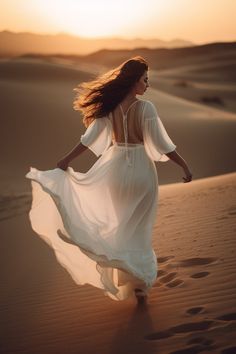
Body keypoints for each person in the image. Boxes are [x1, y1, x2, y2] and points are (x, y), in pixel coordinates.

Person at [25, 56, 192, 305]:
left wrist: (66, 160)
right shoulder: (146, 108)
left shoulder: (110, 107)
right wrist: (184, 165)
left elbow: (88, 140)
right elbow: (163, 146)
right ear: (135, 81)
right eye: (145, 80)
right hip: (141, 174)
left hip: (114, 172)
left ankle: (130, 278)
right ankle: (140, 286)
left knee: (123, 228)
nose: (147, 85)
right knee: (139, 231)